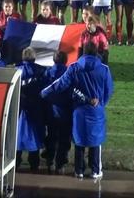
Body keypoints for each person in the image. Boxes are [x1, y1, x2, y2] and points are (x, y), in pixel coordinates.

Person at [41, 42, 114, 180]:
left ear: (83, 52)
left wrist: (45, 92)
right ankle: (95, 171)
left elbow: (61, 84)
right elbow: (109, 89)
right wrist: (100, 104)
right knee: (95, 141)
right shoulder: (104, 69)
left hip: (79, 111)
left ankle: (78, 171)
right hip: (95, 110)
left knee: (79, 140)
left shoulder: (74, 67)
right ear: (96, 52)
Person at [16, 47, 48, 172]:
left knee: (18, 137)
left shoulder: (16, 71)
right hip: (36, 108)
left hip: (20, 109)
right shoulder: (42, 70)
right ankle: (34, 166)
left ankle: (16, 164)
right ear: (34, 58)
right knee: (34, 137)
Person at [41, 51, 72, 175]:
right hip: (65, 111)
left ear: (54, 60)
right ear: (65, 60)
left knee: (52, 136)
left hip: (51, 111)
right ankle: (60, 163)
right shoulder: (70, 72)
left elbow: (44, 92)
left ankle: (50, 161)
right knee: (64, 138)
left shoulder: (47, 73)